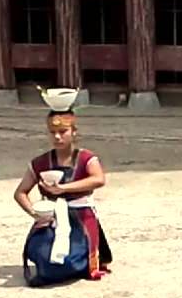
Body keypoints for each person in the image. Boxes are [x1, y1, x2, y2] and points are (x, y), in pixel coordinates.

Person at [13, 106, 113, 286]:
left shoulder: (86, 158)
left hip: (81, 219)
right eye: (53, 133)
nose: (57, 137)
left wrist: (64, 188)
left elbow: (99, 179)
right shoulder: (40, 162)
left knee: (70, 261)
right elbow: (20, 192)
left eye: (63, 131)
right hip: (52, 219)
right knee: (43, 256)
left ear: (74, 131)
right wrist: (36, 214)